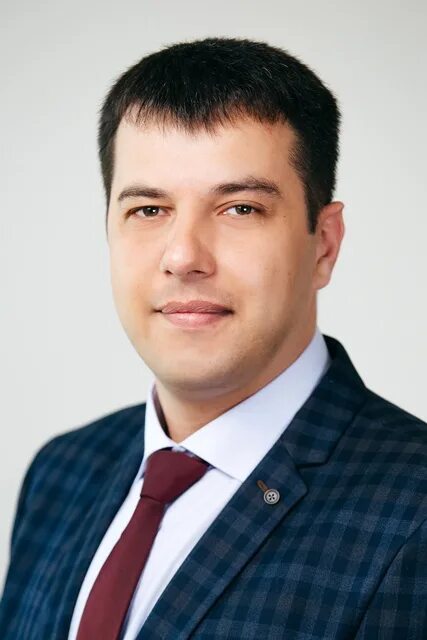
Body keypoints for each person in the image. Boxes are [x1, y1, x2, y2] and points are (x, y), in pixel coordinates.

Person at [0, 36, 426, 640]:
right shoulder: (61, 472)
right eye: (149, 210)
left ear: (324, 246)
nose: (183, 257)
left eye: (240, 208)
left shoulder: (414, 510)